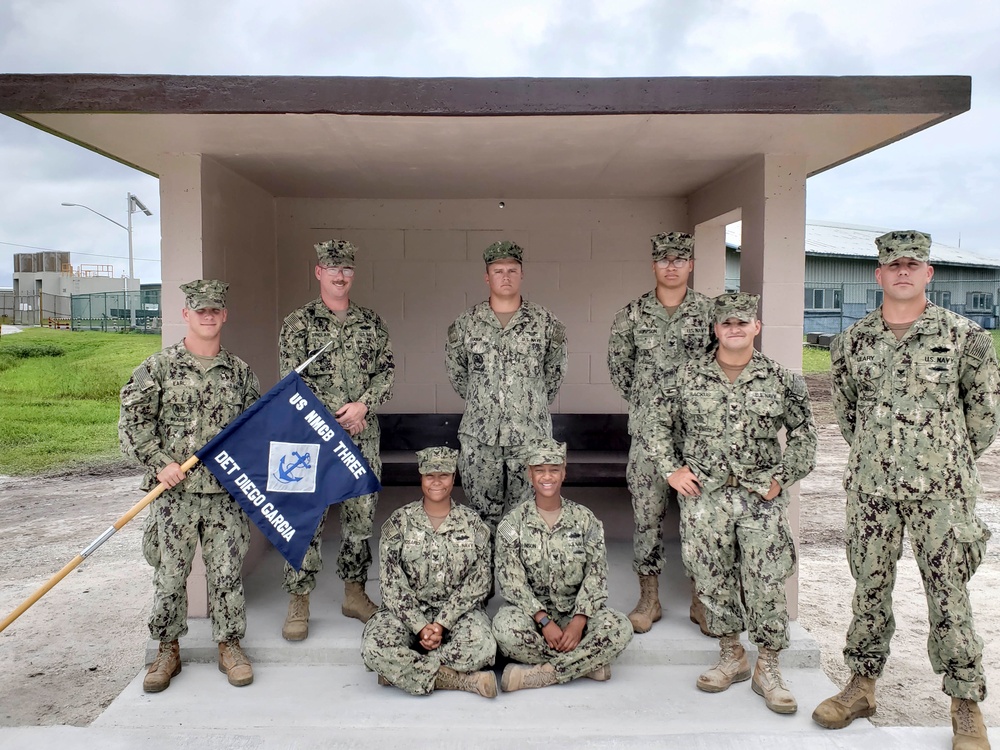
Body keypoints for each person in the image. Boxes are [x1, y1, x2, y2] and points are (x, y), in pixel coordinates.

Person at [812, 231, 998, 749]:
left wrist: (940, 458)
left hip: (942, 493)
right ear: (878, 275)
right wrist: (884, 455)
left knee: (949, 596)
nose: (902, 272)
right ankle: (862, 685)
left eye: (912, 264)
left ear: (928, 273)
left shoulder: (965, 338)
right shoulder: (853, 342)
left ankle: (965, 704)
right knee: (868, 588)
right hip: (873, 491)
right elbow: (849, 414)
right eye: (892, 265)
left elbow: (983, 418)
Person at [645, 292, 816, 714]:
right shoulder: (685, 376)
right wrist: (672, 470)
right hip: (706, 497)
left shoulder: (781, 379)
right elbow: (656, 425)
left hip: (760, 497)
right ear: (716, 329)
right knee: (711, 577)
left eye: (743, 322)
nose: (735, 328)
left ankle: (769, 667)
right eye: (726, 323)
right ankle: (731, 655)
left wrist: (782, 478)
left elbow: (805, 436)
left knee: (766, 581)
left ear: (756, 327)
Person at [119, 279, 260, 692]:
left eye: (215, 310)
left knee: (227, 574)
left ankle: (230, 645)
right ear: (186, 315)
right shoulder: (157, 368)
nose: (208, 317)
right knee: (169, 575)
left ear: (224, 315)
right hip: (173, 496)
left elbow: (253, 432)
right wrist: (161, 464)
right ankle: (167, 648)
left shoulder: (240, 373)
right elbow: (133, 425)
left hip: (224, 497)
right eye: (201, 311)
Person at [278, 239, 395, 637]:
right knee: (307, 520)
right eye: (333, 269)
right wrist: (339, 413)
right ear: (318, 272)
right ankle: (299, 600)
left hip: (362, 437)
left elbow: (387, 372)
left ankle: (354, 593)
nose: (340, 276)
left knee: (360, 520)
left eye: (346, 269)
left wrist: (363, 405)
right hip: (313, 440)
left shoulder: (371, 323)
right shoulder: (298, 323)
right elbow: (292, 381)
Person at [607, 231, 715, 634]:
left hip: (698, 437)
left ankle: (701, 600)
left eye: (680, 259)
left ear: (690, 265)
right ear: (653, 265)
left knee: (700, 520)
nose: (672, 265)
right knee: (646, 518)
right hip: (649, 440)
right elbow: (620, 371)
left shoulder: (709, 313)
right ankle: (649, 598)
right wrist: (649, 405)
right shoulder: (631, 315)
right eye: (664, 259)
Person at [492, 438, 633, 692]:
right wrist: (543, 621)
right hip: (532, 616)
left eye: (554, 469)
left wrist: (579, 622)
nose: (547, 476)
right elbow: (512, 582)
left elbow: (597, 574)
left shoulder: (584, 519)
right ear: (529, 474)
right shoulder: (512, 524)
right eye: (540, 470)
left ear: (564, 472)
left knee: (620, 628)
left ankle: (541, 675)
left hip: (574, 611)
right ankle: (586, 665)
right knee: (504, 630)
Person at [445, 240, 568, 533]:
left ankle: (518, 580)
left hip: (530, 439)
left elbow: (554, 374)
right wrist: (486, 403)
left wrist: (526, 404)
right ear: (487, 277)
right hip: (480, 440)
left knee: (526, 519)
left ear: (522, 274)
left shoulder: (545, 323)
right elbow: (457, 375)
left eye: (512, 270)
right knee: (481, 521)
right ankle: (484, 580)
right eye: (498, 270)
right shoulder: (465, 324)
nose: (506, 276)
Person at [361, 447, 497, 698]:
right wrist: (420, 625)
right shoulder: (400, 522)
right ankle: (457, 680)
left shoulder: (473, 523)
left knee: (482, 645)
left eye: (443, 475)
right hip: (409, 611)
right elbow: (391, 584)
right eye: (429, 475)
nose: (436, 481)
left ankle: (400, 671)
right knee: (374, 646)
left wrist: (442, 622)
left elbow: (479, 582)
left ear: (453, 478)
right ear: (421, 478)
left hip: (457, 614)